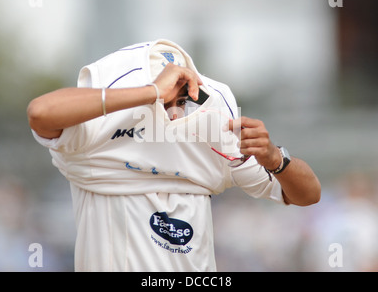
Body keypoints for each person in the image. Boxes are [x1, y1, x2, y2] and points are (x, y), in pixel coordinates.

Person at [27, 39, 321, 272]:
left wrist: (275, 159)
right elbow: (40, 112)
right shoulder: (93, 134)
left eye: (184, 97)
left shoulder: (213, 132)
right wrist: (150, 91)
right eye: (168, 97)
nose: (175, 107)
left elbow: (308, 194)